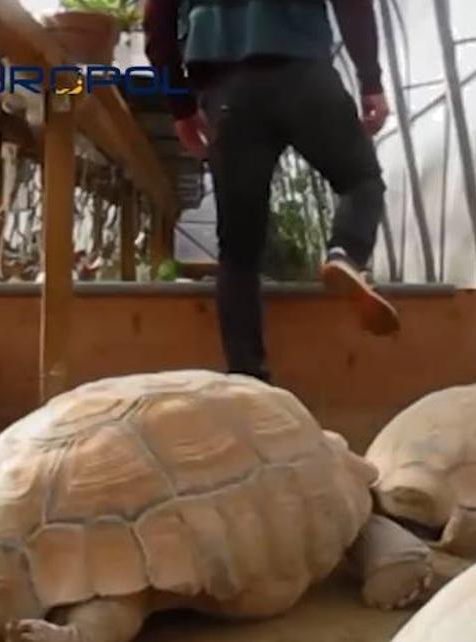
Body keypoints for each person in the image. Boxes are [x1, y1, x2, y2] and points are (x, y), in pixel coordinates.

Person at [145, 0, 400, 383]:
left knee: (238, 251)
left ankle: (249, 379)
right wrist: (370, 80)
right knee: (360, 181)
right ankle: (346, 252)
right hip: (303, 71)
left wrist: (180, 107)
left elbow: (156, 22)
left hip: (226, 90)